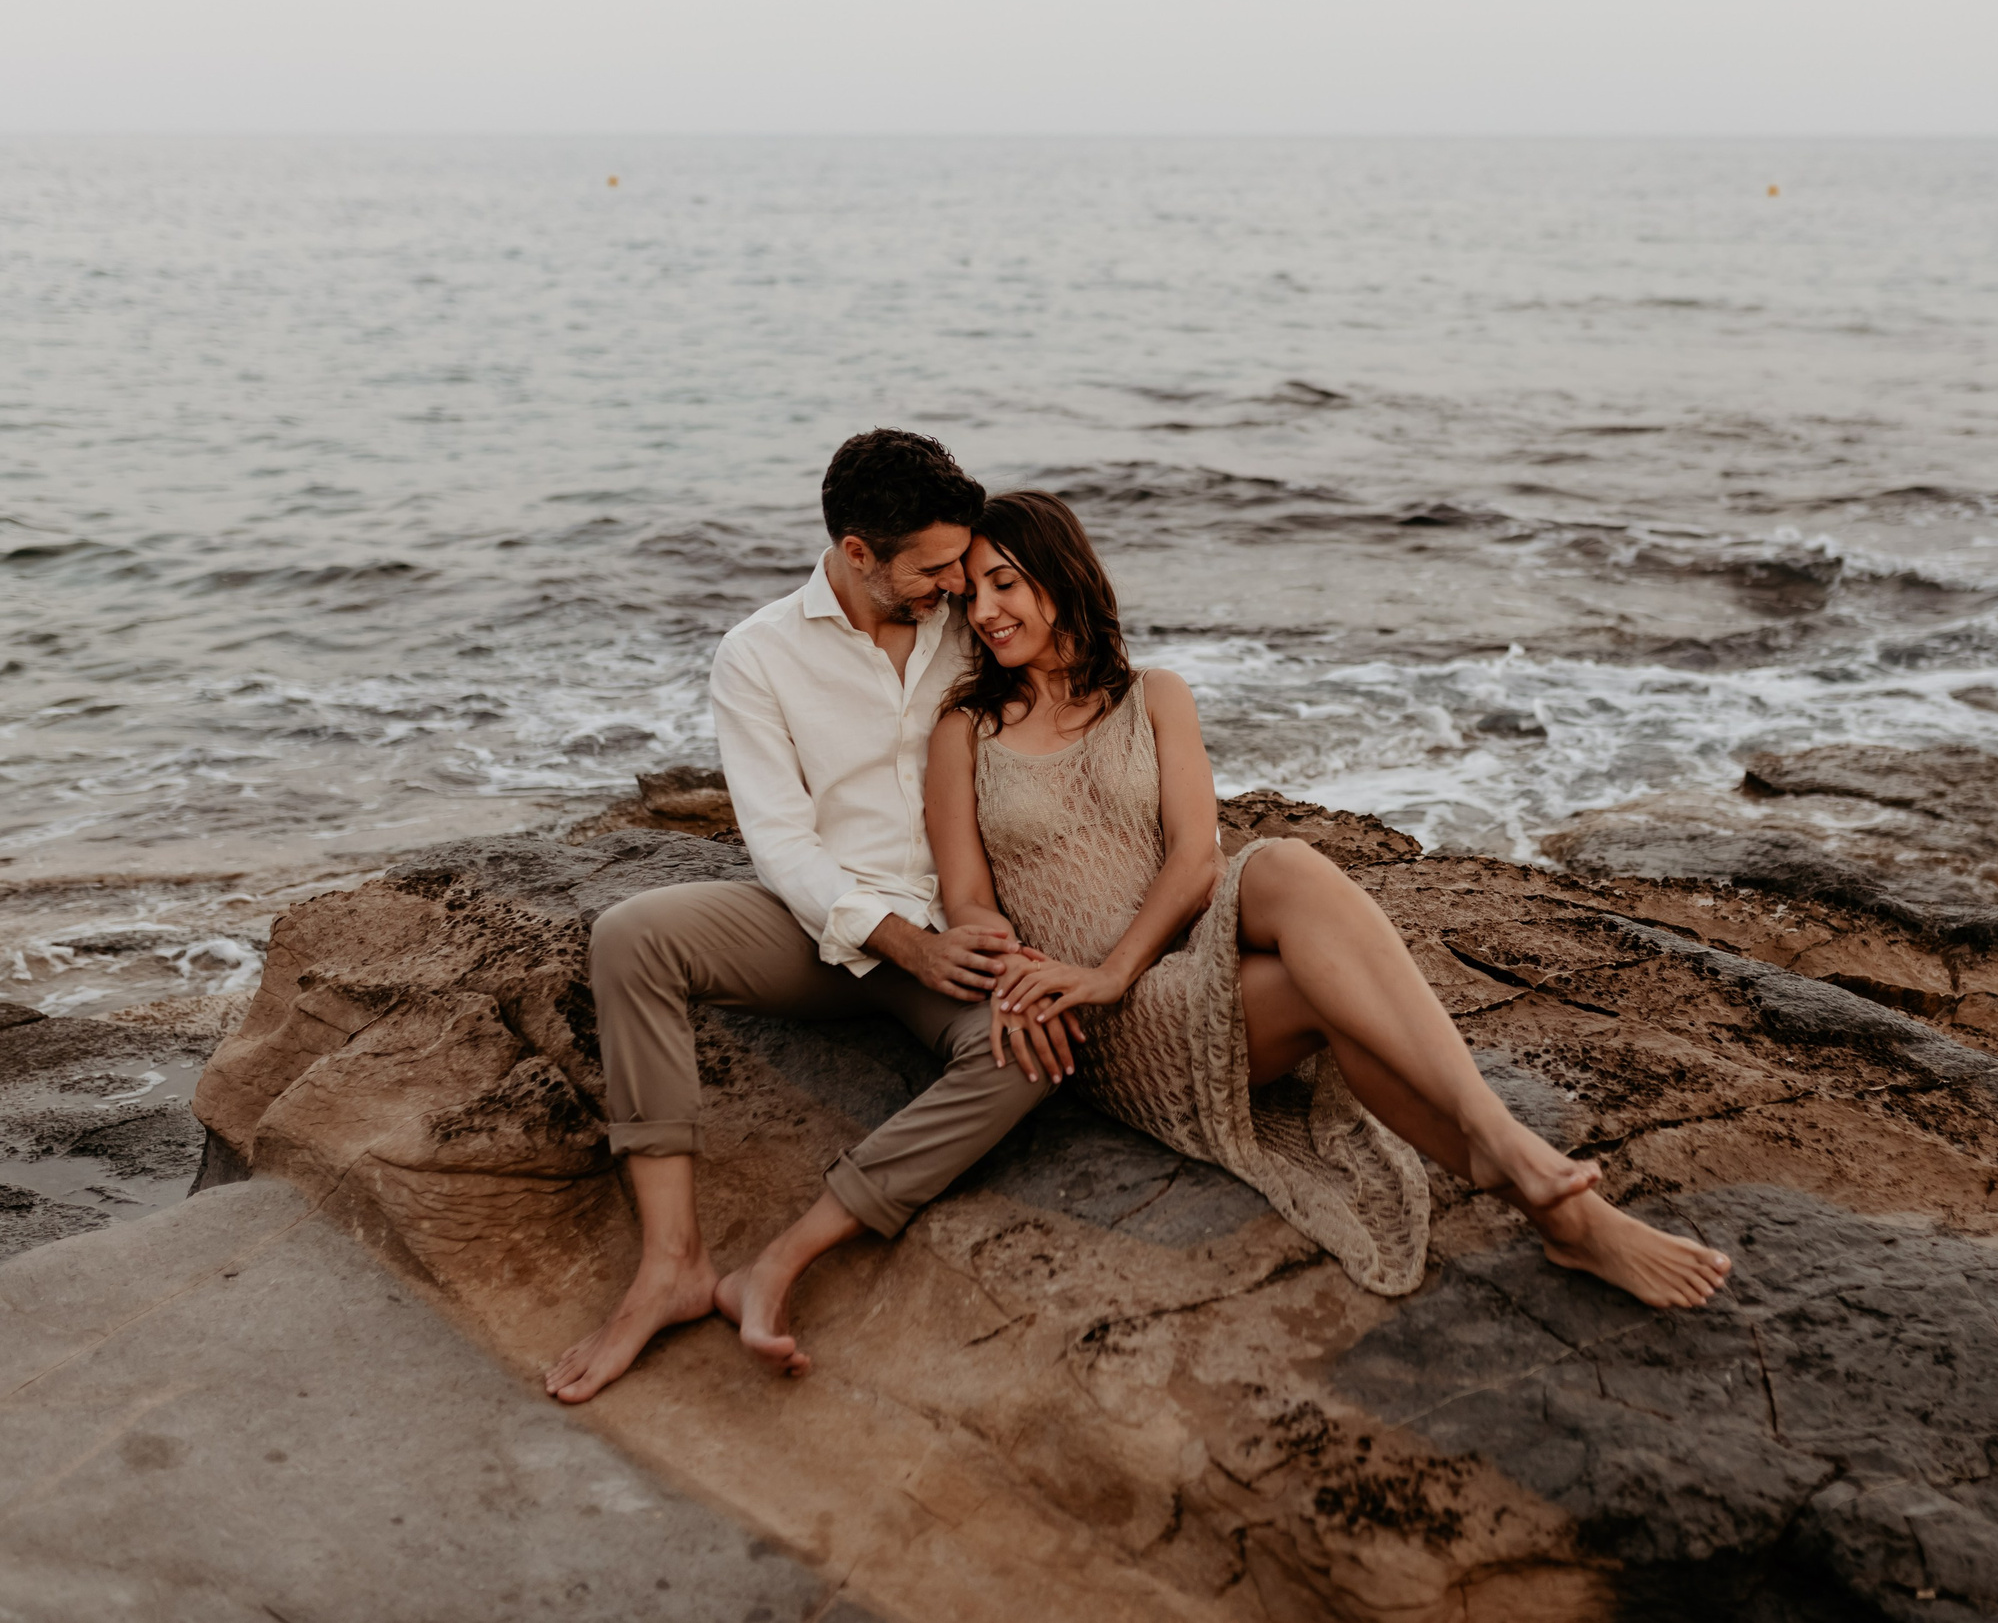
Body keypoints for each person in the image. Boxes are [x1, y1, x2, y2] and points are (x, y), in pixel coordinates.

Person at [717, 492, 1729, 1375]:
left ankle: (1530, 1175)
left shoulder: (1155, 694)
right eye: (972, 592)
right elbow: (968, 892)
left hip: (1164, 964)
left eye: (1005, 584)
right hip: (1101, 1021)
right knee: (1337, 1003)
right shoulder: (964, 726)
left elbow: (1197, 859)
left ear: (1063, 578)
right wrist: (1037, 974)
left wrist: (1125, 963)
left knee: (1282, 866)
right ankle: (1556, 1202)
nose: (982, 610)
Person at [542, 430, 1083, 1404]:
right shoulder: (756, 655)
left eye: (962, 559)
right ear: (857, 551)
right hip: (823, 931)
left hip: (964, 932)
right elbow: (781, 845)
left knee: (1029, 1050)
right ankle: (671, 1263)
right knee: (632, 933)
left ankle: (793, 1249)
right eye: (932, 565)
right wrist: (903, 941)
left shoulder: (974, 620)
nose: (956, 581)